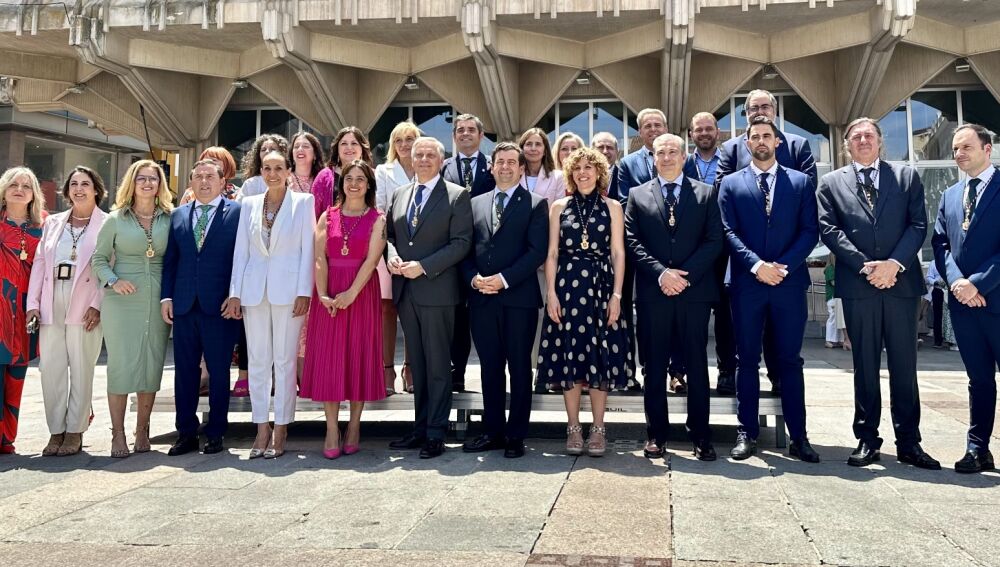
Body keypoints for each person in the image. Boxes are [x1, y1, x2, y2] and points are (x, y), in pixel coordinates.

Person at [817, 117, 939, 470]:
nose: (863, 140)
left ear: (880, 141)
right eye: (856, 137)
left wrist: (893, 265)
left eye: (869, 135)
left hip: (901, 285)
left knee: (904, 366)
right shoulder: (830, 183)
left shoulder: (905, 176)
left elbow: (918, 225)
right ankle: (867, 438)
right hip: (859, 286)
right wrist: (865, 266)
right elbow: (829, 230)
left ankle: (909, 442)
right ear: (846, 145)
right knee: (864, 366)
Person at [718, 116, 819, 463]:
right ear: (747, 144)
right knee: (746, 360)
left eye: (767, 136)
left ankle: (800, 437)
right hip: (747, 284)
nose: (761, 141)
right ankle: (747, 433)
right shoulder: (730, 184)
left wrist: (782, 266)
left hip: (788, 284)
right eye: (755, 137)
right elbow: (728, 231)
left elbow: (810, 232)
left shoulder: (801, 182)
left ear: (777, 142)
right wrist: (757, 265)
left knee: (790, 361)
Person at [625, 134, 723, 461]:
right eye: (660, 153)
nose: (666, 157)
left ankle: (701, 436)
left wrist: (684, 276)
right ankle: (656, 434)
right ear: (653, 158)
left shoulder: (706, 193)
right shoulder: (637, 195)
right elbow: (632, 241)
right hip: (654, 293)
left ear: (684, 157)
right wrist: (661, 274)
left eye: (672, 152)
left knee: (696, 364)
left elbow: (713, 241)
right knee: (653, 366)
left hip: (694, 293)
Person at [537, 147, 633, 457]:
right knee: (571, 357)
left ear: (599, 172)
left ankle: (599, 430)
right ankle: (574, 428)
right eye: (577, 168)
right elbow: (551, 253)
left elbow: (619, 253)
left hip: (602, 288)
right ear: (569, 173)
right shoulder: (559, 207)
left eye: (589, 167)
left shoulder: (613, 207)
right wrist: (550, 292)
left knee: (600, 357)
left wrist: (617, 295)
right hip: (566, 288)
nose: (583, 172)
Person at [386, 137, 472, 459]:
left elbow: (461, 243)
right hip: (406, 293)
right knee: (417, 366)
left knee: (438, 365)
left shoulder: (456, 196)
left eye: (429, 155)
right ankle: (420, 427)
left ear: (441, 160)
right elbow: (390, 236)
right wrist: (391, 257)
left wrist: (423, 267)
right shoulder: (399, 194)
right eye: (418, 154)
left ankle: (436, 432)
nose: (422, 159)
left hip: (436, 290)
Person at [460, 142, 548, 459]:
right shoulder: (475, 204)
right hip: (482, 299)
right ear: (492, 167)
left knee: (520, 368)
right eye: (501, 162)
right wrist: (473, 278)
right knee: (490, 368)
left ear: (522, 168)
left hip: (518, 300)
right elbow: (466, 250)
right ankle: (493, 431)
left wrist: (504, 279)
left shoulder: (536, 204)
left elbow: (536, 251)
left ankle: (515, 435)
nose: (506, 167)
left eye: (513, 162)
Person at [227, 150, 315, 459]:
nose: (273, 173)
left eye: (279, 167)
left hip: (289, 290)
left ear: (289, 171)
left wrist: (305, 290)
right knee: (258, 361)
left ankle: (282, 426)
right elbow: (241, 252)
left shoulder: (304, 203)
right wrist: (235, 292)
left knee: (285, 360)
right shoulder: (249, 203)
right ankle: (261, 426)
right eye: (267, 168)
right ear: (260, 171)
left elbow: (308, 250)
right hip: (254, 291)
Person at [302, 160, 387, 458]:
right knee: (330, 359)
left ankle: (353, 426)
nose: (354, 183)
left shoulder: (378, 218)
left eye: (360, 179)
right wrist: (323, 294)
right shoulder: (328, 215)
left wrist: (351, 293)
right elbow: (320, 259)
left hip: (361, 292)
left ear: (369, 185)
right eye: (348, 178)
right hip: (329, 292)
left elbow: (372, 261)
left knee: (357, 356)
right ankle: (330, 429)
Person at [91, 160, 173, 458]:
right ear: (132, 183)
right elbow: (98, 260)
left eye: (153, 178)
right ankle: (118, 434)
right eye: (142, 178)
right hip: (122, 301)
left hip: (157, 300)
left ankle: (142, 431)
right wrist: (114, 281)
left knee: (152, 364)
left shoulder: (169, 218)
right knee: (122, 365)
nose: (147, 183)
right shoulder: (115, 219)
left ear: (160, 184)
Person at [161, 160, 242, 456]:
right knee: (184, 372)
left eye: (210, 176)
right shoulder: (178, 215)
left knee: (220, 372)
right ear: (191, 182)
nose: (204, 182)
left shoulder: (237, 213)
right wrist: (166, 297)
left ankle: (217, 432)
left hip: (219, 306)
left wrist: (235, 295)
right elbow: (171, 260)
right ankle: (185, 432)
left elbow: (241, 259)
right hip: (183, 305)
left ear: (222, 182)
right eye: (198, 177)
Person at [932, 123, 1000, 474]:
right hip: (964, 305)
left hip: (996, 299)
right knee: (979, 380)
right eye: (955, 149)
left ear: (987, 149)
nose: (959, 154)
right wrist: (958, 282)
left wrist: (978, 283)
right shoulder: (949, 195)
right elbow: (940, 244)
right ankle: (978, 448)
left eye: (966, 147)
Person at [26, 166, 107, 456]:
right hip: (51, 298)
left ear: (96, 189)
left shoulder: (107, 223)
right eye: (74, 184)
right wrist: (32, 305)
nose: (79, 189)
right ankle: (56, 430)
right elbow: (39, 264)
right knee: (51, 369)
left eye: (86, 183)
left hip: (85, 303)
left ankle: (75, 430)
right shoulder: (53, 223)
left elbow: (111, 267)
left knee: (83, 368)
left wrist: (98, 305)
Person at [683, 112, 737, 395]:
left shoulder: (732, 161)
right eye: (698, 129)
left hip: (726, 249)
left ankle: (727, 371)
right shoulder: (683, 163)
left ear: (718, 132)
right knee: (694, 317)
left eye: (709, 129)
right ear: (691, 135)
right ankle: (689, 371)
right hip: (694, 252)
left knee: (727, 315)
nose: (704, 133)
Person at [441, 114, 496, 393]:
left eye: (471, 130)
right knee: (457, 318)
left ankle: (492, 378)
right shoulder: (443, 167)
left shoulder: (493, 166)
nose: (465, 134)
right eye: (459, 130)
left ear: (481, 135)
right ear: (454, 136)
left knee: (484, 320)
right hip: (453, 254)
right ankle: (457, 373)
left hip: (485, 253)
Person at [617, 109, 670, 392]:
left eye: (657, 124)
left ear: (666, 127)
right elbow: (626, 201)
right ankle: (630, 369)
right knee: (631, 313)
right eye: (647, 126)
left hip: (672, 251)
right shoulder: (627, 164)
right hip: (636, 249)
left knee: (667, 315)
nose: (653, 129)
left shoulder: (677, 157)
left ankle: (672, 370)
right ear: (640, 133)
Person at [0, 167, 45, 454]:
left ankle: (6, 439)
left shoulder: (44, 228)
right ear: (4, 191)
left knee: (16, 376)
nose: (19, 189)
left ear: (33, 195)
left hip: (27, 315)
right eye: (13, 184)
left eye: (26, 186)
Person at [375, 121, 421, 395]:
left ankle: (411, 367)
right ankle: (386, 369)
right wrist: (391, 247)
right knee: (388, 309)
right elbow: (380, 207)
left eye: (410, 139)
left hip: (421, 248)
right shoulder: (383, 171)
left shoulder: (427, 166)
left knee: (414, 310)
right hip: (390, 245)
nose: (405, 144)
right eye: (399, 140)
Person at [313, 126, 374, 220]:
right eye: (344, 143)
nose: (349, 147)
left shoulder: (373, 175)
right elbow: (313, 214)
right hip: (331, 231)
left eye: (354, 143)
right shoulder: (324, 176)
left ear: (362, 148)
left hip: (365, 231)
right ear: (337, 149)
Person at [520, 127, 567, 204]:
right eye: (529, 144)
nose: (533, 148)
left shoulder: (557, 177)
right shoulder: (514, 176)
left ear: (545, 151)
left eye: (538, 144)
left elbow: (559, 210)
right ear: (522, 149)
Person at [238, 134, 289, 200]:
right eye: (263, 149)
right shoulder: (251, 184)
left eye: (273, 149)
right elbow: (240, 207)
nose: (267, 151)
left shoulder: (292, 181)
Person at [823, 257, 849, 350]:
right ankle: (829, 340)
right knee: (833, 318)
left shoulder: (835, 268)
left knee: (838, 319)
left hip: (837, 296)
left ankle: (838, 340)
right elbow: (833, 282)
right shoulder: (830, 268)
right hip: (832, 297)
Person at [592, 132, 621, 201]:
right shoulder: (585, 177)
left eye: (609, 147)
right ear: (592, 151)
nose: (605, 151)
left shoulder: (625, 177)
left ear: (617, 152)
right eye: (600, 147)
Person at [926, 261, 946, 348]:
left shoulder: (952, 259)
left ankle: (953, 341)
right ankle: (938, 341)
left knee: (952, 316)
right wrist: (935, 282)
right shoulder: (933, 263)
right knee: (937, 316)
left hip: (951, 290)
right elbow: (929, 276)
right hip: (938, 290)